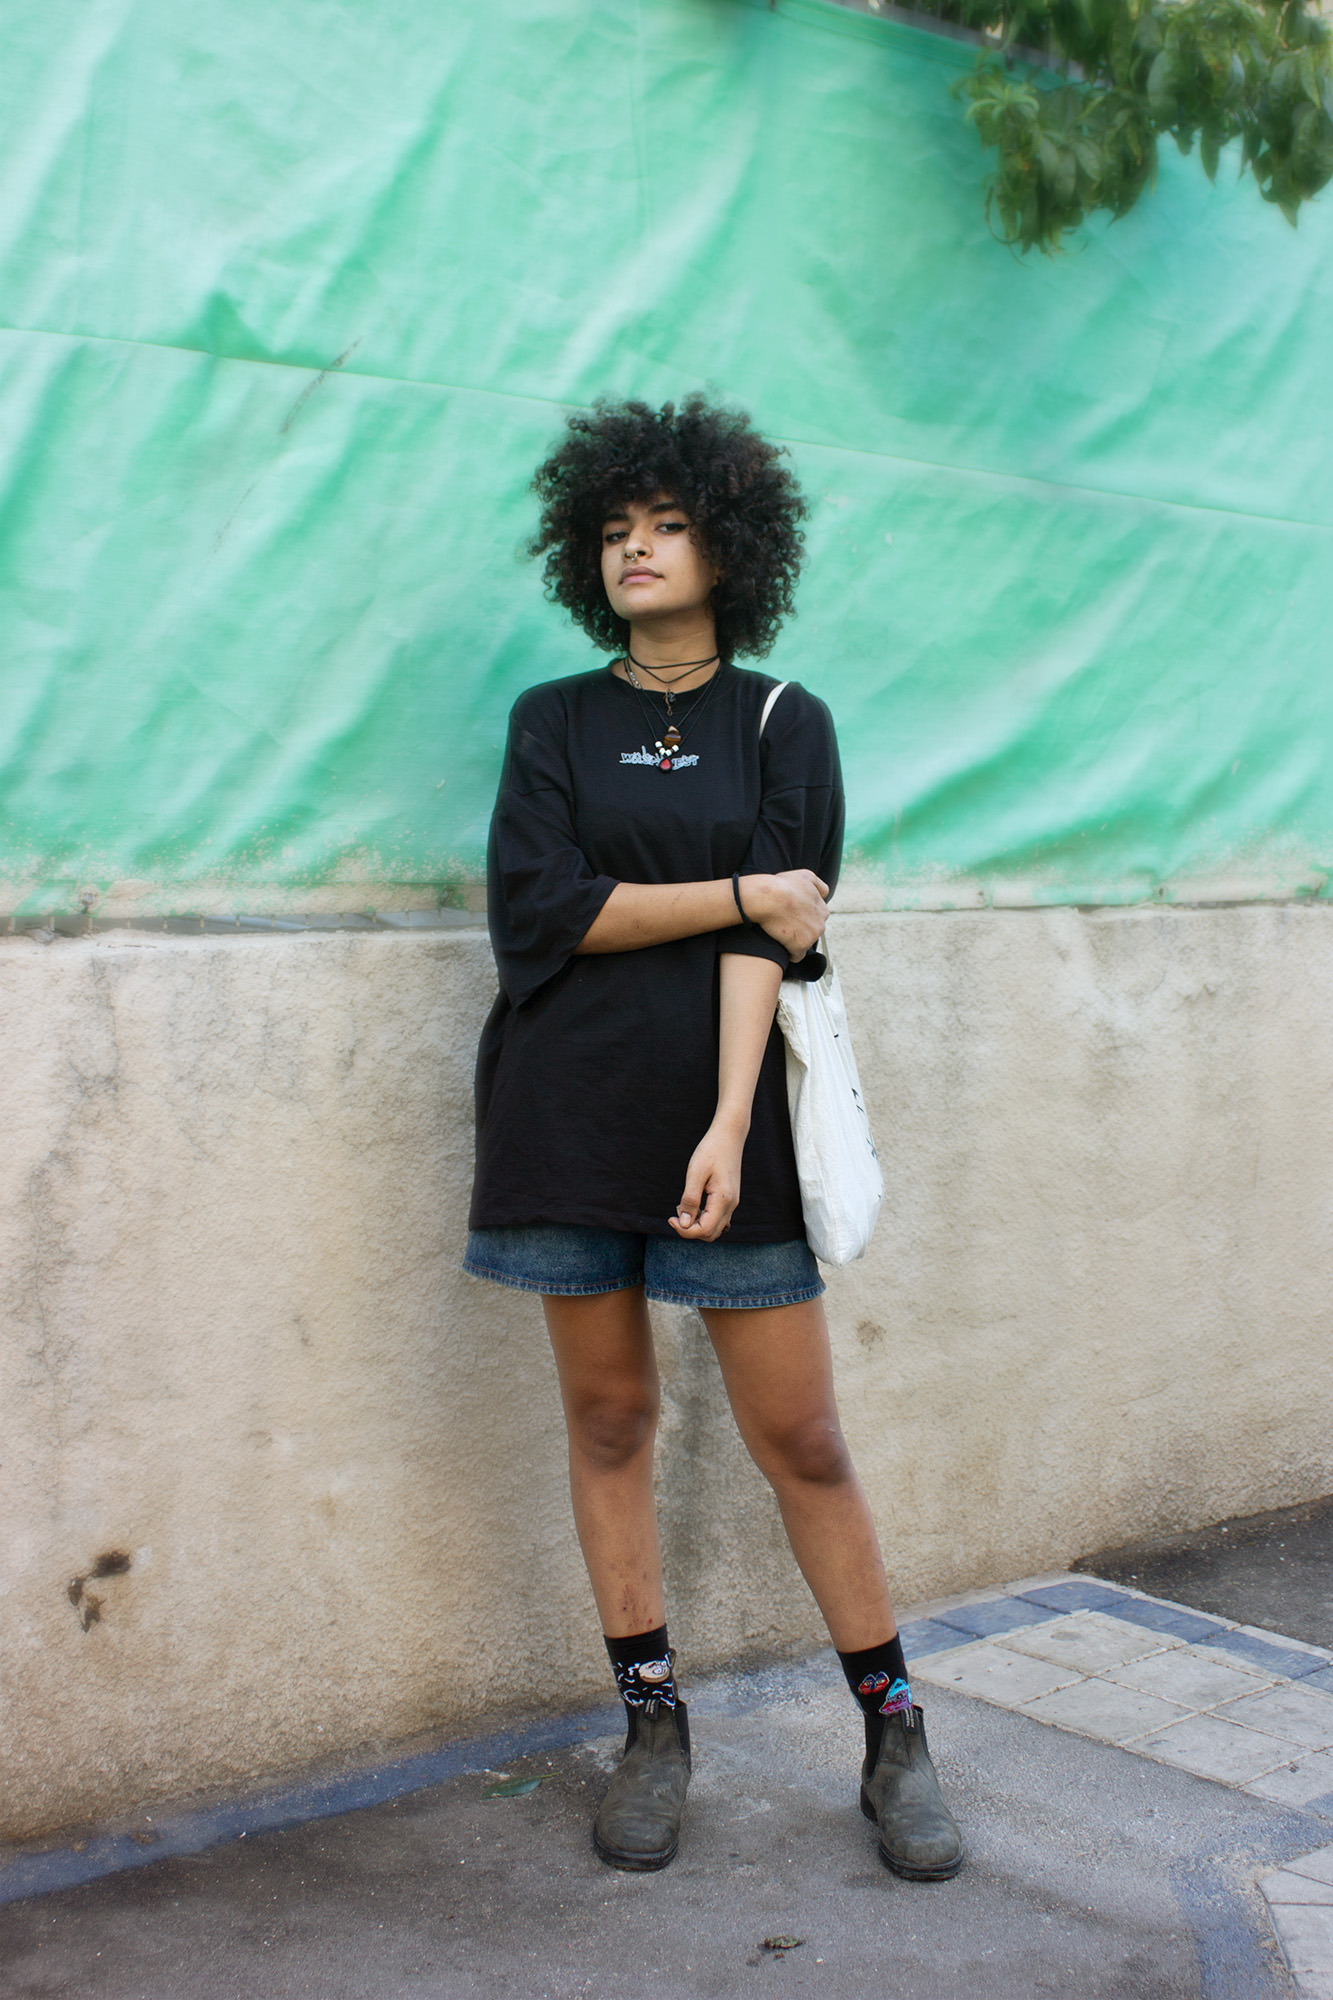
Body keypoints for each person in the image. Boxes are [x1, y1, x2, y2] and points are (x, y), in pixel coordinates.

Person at [464, 396, 962, 1880]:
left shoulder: (782, 719)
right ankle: (652, 1729)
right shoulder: (553, 719)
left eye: (668, 525)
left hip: (722, 1120)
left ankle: (895, 1736)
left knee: (802, 1438)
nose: (637, 549)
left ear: (729, 548)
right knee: (611, 1420)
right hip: (564, 1107)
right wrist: (744, 888)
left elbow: (781, 938)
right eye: (615, 530)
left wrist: (733, 1119)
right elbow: (546, 913)